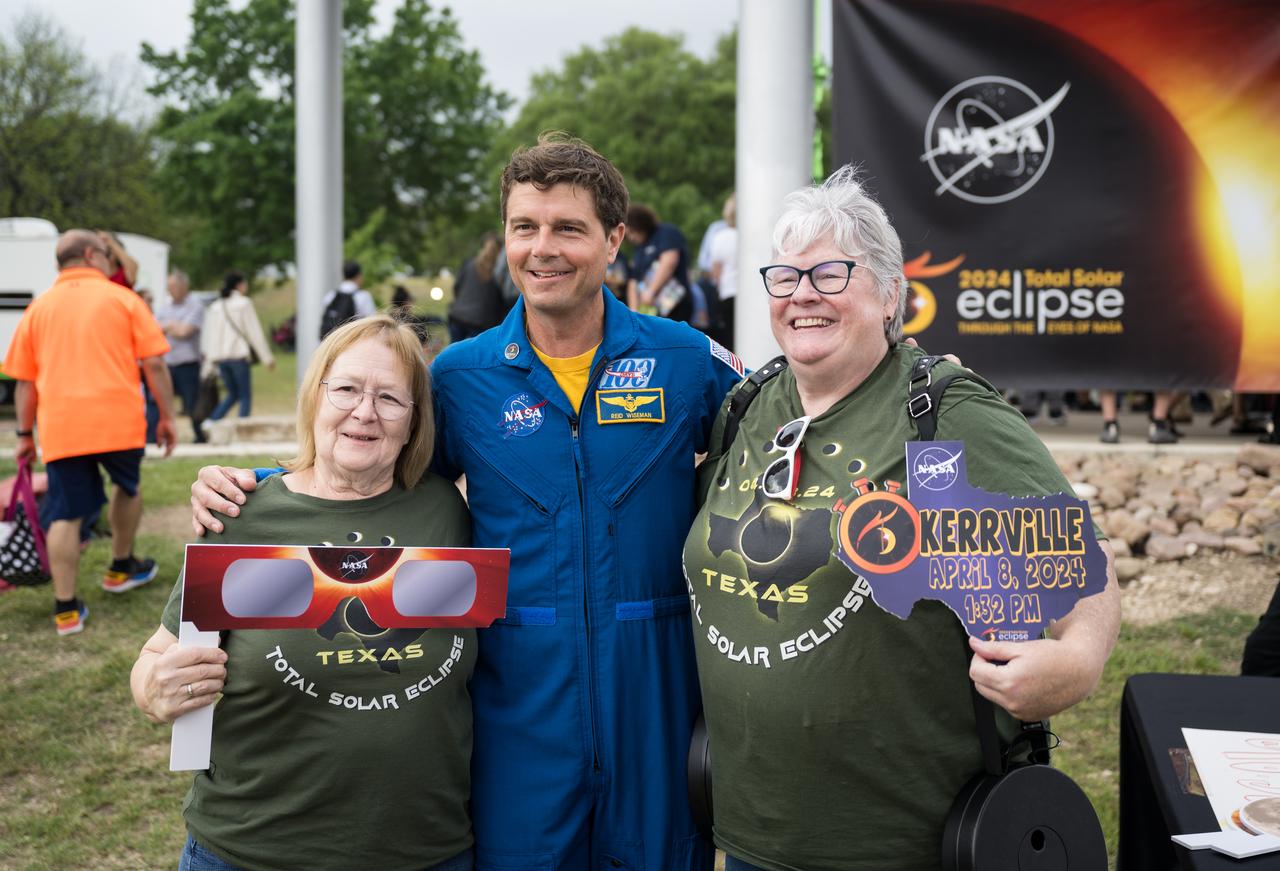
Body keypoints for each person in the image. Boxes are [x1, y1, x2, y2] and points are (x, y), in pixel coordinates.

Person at [190, 133, 745, 870]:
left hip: (655, 704)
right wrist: (259, 484)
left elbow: (784, 437)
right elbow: (373, 465)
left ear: (614, 240)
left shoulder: (686, 359)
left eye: (568, 228)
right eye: (525, 227)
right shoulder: (459, 377)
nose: (542, 249)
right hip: (518, 712)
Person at [682, 167, 1121, 871]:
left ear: (890, 294)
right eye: (785, 277)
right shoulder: (749, 408)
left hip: (900, 841)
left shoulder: (941, 414)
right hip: (748, 833)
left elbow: (1079, 565)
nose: (802, 295)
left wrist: (1075, 661)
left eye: (830, 274)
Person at [132, 315, 475, 871]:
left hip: (426, 851)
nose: (365, 412)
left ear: (415, 422)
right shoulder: (241, 517)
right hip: (254, 850)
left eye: (390, 398)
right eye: (346, 389)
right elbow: (155, 658)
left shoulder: (444, 512)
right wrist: (154, 689)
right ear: (314, 398)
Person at [2, 229, 177, 636]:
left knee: (65, 511)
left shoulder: (38, 308)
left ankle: (65, 610)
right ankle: (120, 567)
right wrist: (166, 415)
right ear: (89, 254)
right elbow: (154, 364)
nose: (109, 261)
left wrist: (24, 435)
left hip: (63, 426)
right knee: (127, 487)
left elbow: (24, 383)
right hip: (119, 421)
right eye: (104, 254)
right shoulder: (124, 299)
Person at [201, 271, 275, 425]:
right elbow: (254, 332)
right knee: (244, 395)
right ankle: (243, 428)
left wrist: (209, 363)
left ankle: (212, 421)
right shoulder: (243, 303)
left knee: (232, 394)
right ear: (239, 285)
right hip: (238, 357)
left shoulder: (215, 306)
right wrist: (267, 358)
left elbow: (210, 337)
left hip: (220, 358)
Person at [627, 203, 702, 325]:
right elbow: (633, 280)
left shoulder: (666, 232)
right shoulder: (639, 248)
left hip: (675, 305)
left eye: (631, 232)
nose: (630, 237)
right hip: (651, 310)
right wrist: (633, 312)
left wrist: (651, 291)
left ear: (638, 224)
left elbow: (669, 261)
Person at [155, 269, 207, 442]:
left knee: (192, 402)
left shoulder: (195, 305)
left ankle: (199, 436)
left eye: (174, 286)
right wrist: (173, 325)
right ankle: (157, 436)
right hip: (168, 362)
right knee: (160, 401)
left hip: (188, 363)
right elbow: (154, 329)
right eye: (169, 286)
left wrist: (167, 326)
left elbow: (185, 331)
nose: (170, 290)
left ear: (184, 286)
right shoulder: (165, 306)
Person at [447, 232, 508, 342]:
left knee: (454, 355)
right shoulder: (499, 272)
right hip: (480, 323)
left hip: (457, 317)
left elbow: (456, 288)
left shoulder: (469, 264)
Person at [707, 194, 738, 347]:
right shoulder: (757, 236)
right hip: (752, 296)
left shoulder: (720, 237)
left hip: (728, 292)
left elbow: (716, 270)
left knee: (730, 337)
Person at [320, 260, 377, 339]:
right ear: (359, 275)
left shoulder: (330, 295)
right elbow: (372, 323)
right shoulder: (364, 296)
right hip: (352, 341)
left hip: (332, 341)